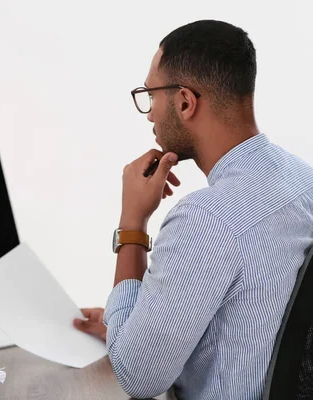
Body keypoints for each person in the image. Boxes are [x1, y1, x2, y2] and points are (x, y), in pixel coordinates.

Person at [73, 19, 313, 399]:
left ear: (184, 102)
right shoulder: (303, 180)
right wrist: (134, 325)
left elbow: (138, 378)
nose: (150, 114)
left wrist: (132, 221)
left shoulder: (207, 219)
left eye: (151, 96)